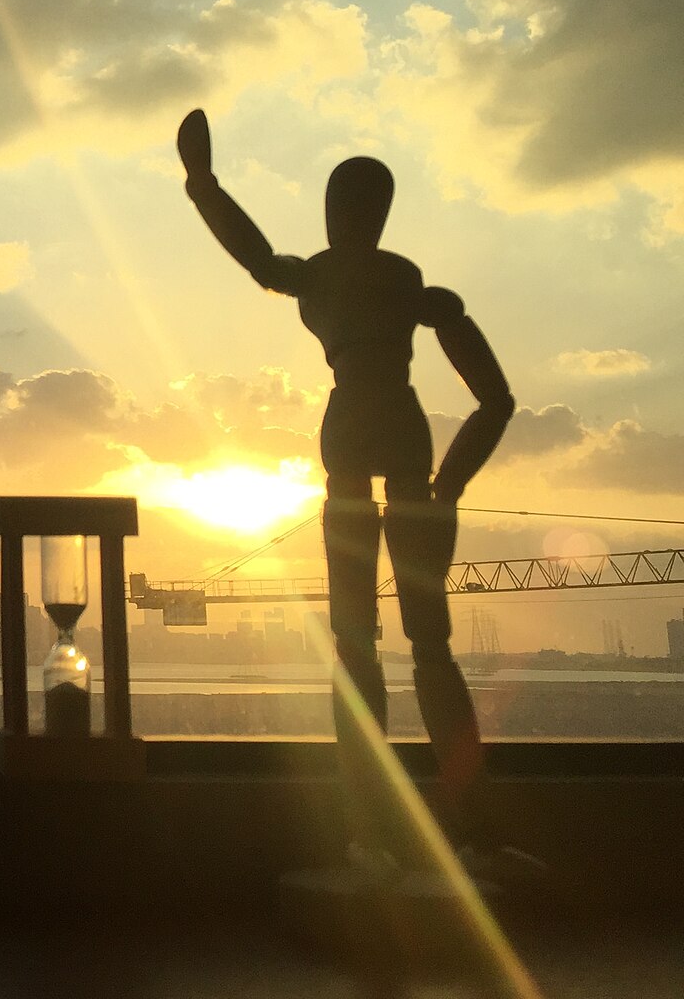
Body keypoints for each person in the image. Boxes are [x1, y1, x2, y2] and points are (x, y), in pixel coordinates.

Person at [176, 109, 514, 861]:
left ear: (338, 217)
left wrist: (203, 185)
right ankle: (462, 823)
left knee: (358, 644)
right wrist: (446, 485)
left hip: (352, 441)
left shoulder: (327, 277)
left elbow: (258, 258)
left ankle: (374, 829)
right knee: (428, 646)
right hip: (403, 434)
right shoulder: (415, 292)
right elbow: (496, 399)